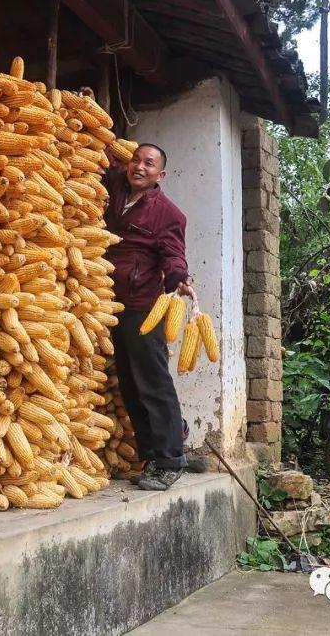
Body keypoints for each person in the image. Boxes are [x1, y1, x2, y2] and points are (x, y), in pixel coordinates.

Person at [103, 143, 193, 491]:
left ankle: (170, 460)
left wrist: (178, 278)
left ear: (161, 174)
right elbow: (105, 151)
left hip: (144, 306)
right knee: (129, 382)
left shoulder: (168, 214)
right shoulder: (117, 184)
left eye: (149, 163)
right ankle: (153, 456)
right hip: (114, 302)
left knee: (153, 382)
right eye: (136, 160)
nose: (139, 167)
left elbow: (174, 254)